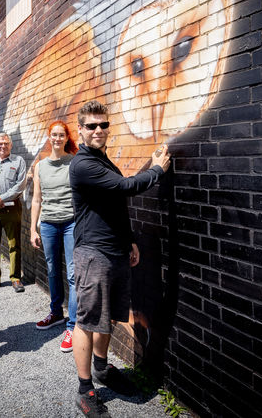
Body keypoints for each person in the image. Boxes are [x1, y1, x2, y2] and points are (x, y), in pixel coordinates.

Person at [69, 101, 171, 417]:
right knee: (88, 322)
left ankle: (101, 369)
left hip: (115, 250)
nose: (99, 130)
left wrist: (129, 241)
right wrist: (157, 169)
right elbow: (125, 188)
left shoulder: (102, 160)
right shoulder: (84, 164)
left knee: (109, 315)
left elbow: (113, 205)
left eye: (103, 125)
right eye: (92, 126)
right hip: (93, 254)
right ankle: (85, 389)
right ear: (81, 130)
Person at [30, 120, 79, 353]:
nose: (57, 139)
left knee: (72, 273)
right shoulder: (40, 166)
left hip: (71, 223)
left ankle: (73, 325)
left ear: (67, 138)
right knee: (51, 270)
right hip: (48, 224)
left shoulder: (74, 162)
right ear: (49, 138)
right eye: (54, 135)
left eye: (61, 135)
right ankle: (56, 313)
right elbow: (37, 199)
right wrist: (32, 228)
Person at [0, 133, 27, 293]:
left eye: (6, 143)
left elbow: (20, 185)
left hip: (12, 208)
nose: (3, 146)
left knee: (14, 244)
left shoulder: (18, 161)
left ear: (11, 145)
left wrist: (1, 198)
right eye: (0, 144)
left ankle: (16, 278)